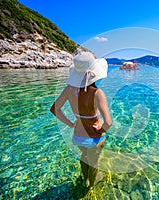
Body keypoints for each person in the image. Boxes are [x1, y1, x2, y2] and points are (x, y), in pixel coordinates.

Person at [50, 51, 112, 188]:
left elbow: (55, 109)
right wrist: (101, 129)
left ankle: (85, 181)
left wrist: (71, 124)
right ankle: (91, 185)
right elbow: (108, 123)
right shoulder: (97, 93)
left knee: (84, 157)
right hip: (94, 138)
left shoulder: (69, 89)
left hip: (77, 136)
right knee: (94, 163)